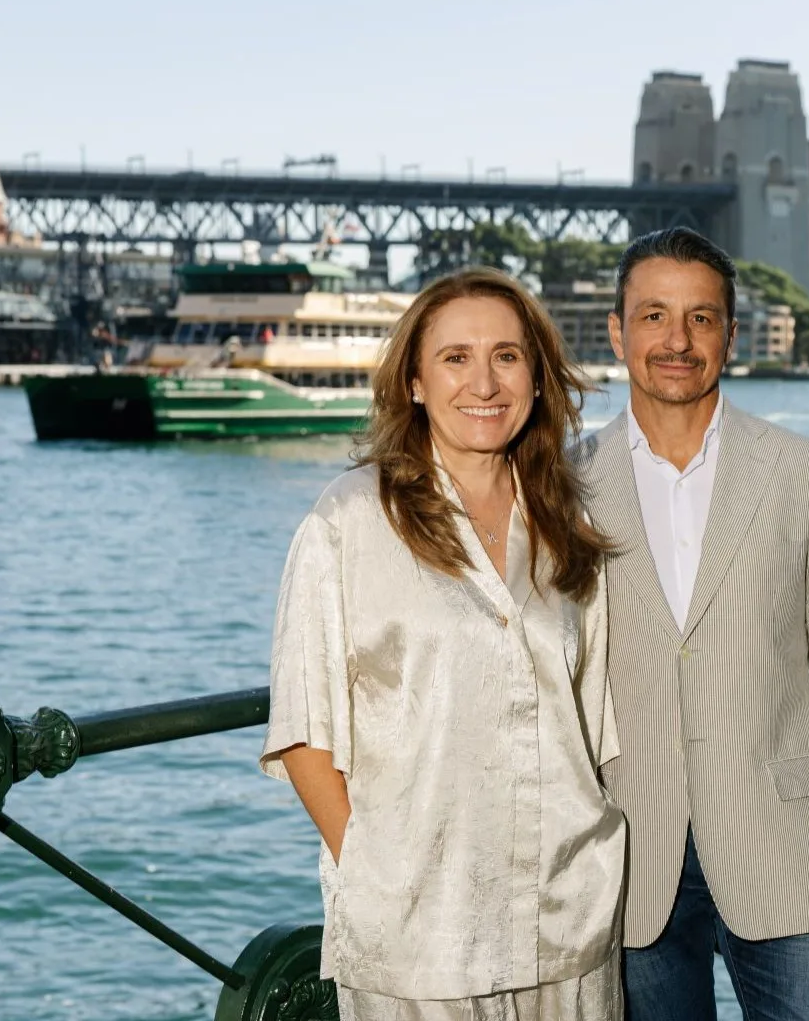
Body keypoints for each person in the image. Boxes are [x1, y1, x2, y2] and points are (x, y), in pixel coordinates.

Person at [259, 267, 625, 1020]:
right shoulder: (348, 523)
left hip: (567, 920)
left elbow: (590, 726)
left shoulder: (563, 525)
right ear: (416, 383)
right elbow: (302, 733)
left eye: (507, 356)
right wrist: (380, 870)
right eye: (456, 358)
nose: (484, 383)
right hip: (421, 936)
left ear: (536, 375)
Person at [581, 227, 809, 1020]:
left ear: (730, 333)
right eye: (653, 316)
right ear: (617, 332)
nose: (676, 341)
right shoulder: (562, 481)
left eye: (700, 318)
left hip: (785, 849)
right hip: (628, 853)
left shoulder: (805, 472)